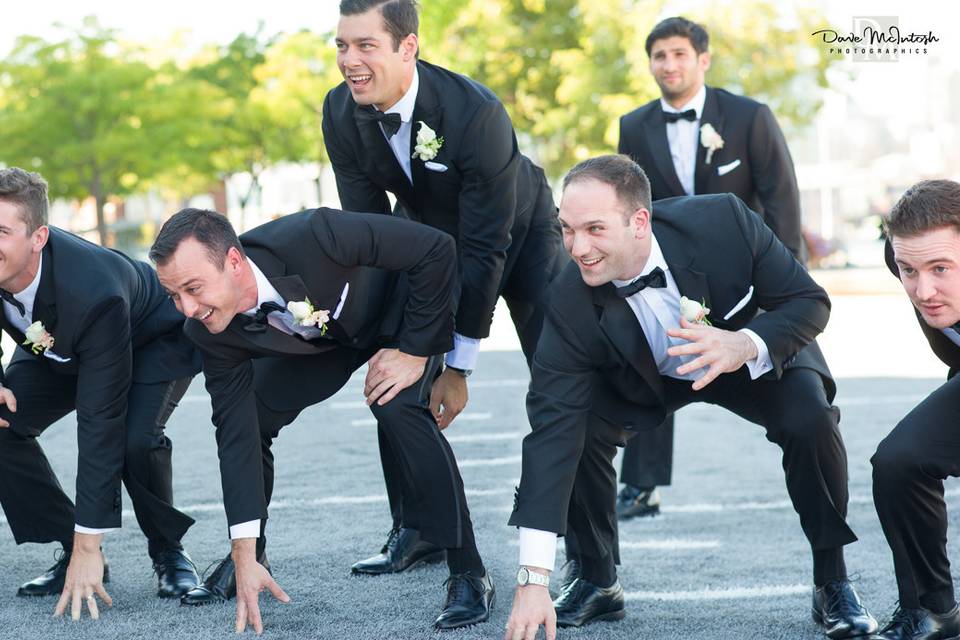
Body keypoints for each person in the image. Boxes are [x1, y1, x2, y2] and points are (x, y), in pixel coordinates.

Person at [503, 155, 876, 639]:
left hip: (745, 351)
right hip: (645, 375)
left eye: (594, 228)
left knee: (812, 420)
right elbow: (550, 432)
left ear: (639, 221)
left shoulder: (724, 221)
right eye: (567, 230)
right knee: (579, 429)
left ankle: (832, 580)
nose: (578, 247)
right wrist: (533, 579)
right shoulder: (566, 299)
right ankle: (596, 578)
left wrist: (742, 345)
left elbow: (808, 301)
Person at [152, 207, 494, 632]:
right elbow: (235, 436)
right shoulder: (205, 329)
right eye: (173, 296)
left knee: (397, 407)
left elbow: (434, 249)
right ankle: (253, 557)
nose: (186, 307)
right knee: (253, 416)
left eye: (192, 287)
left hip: (398, 311)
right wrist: (241, 547)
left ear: (234, 262)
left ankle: (469, 570)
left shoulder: (319, 234)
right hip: (324, 347)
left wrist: (416, 351)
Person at [323, 0, 564, 574]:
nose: (348, 61)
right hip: (423, 243)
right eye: (340, 45)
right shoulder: (339, 112)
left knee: (562, 390)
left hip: (520, 237)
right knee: (391, 376)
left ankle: (589, 562)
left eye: (365, 46)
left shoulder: (475, 114)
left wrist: (456, 367)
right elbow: (369, 232)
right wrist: (388, 336)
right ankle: (418, 528)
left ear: (408, 47)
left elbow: (485, 250)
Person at [615, 15, 805, 521]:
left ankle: (806, 463)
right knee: (648, 361)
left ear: (703, 59)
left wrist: (787, 283)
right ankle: (640, 485)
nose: (669, 64)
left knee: (789, 380)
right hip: (670, 275)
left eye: (679, 54)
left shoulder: (749, 117)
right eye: (659, 55)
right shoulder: (633, 125)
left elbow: (781, 201)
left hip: (747, 276)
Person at [0, 167, 201, 620]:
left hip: (146, 340)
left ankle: (168, 551)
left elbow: (99, 422)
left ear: (38, 237)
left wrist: (94, 538)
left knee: (133, 440)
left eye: (1, 231)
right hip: (55, 341)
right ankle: (68, 546)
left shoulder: (95, 292)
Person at [871, 179, 960, 640]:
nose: (923, 290)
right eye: (910, 270)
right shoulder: (905, 258)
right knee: (899, 460)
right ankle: (931, 609)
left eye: (941, 268)